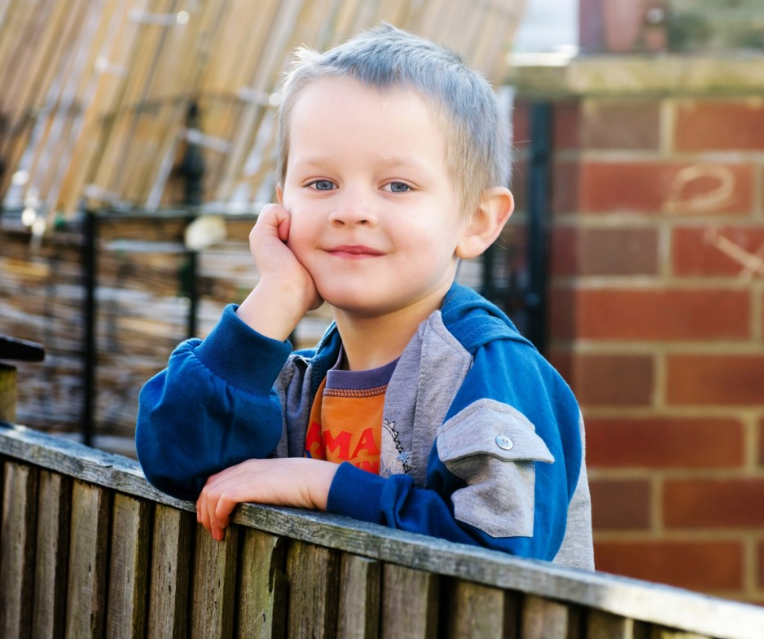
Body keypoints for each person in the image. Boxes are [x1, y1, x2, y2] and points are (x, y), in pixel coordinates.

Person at [136, 23, 593, 569]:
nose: (350, 210)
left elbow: (500, 555)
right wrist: (274, 298)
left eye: (396, 186)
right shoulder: (295, 382)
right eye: (320, 184)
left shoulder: (491, 374)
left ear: (476, 220)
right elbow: (177, 461)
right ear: (282, 208)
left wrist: (324, 484)